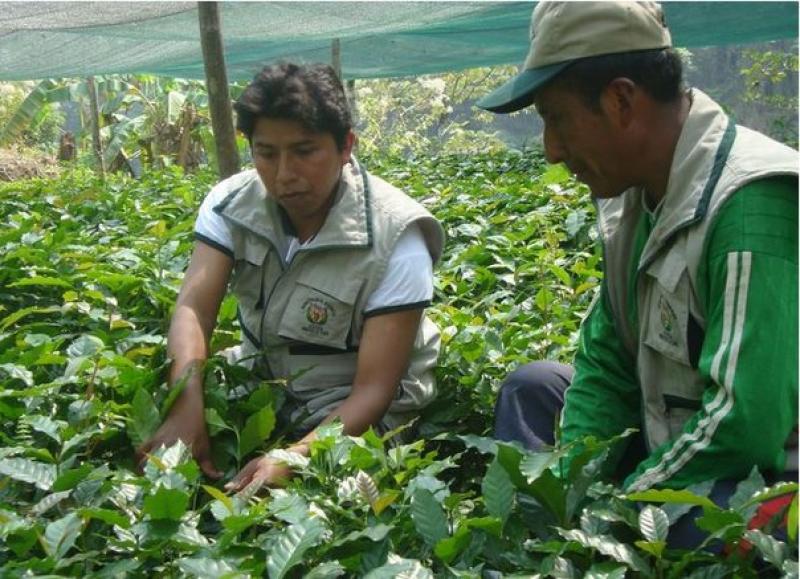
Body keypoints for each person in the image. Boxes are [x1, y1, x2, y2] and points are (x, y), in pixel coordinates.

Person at [478, 1, 797, 547]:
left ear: (621, 100)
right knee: (533, 388)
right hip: (668, 436)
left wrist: (617, 512)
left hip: (765, 476)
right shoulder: (631, 202)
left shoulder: (752, 202)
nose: (552, 150)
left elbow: (743, 426)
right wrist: (569, 490)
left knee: (699, 524)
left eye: (556, 118)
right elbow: (607, 363)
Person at [137, 62, 444, 491]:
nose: (284, 175)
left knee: (320, 495)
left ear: (345, 147)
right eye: (266, 153)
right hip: (263, 379)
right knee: (156, 443)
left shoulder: (398, 237)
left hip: (356, 403)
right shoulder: (230, 203)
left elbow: (374, 389)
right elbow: (193, 308)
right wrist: (184, 409)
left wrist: (294, 458)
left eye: (304, 151)